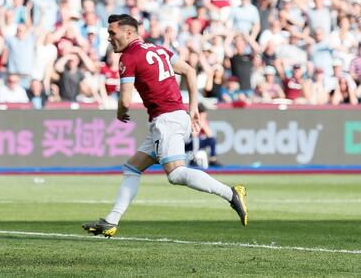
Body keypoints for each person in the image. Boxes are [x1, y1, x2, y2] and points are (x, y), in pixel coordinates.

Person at [82, 14, 247, 238]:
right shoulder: (159, 50)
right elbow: (189, 70)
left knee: (176, 173)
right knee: (132, 168)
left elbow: (126, 100)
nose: (109, 38)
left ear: (129, 32)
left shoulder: (129, 57)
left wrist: (121, 113)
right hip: (174, 116)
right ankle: (111, 221)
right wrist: (193, 108)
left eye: (112, 33)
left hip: (166, 120)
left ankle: (231, 193)